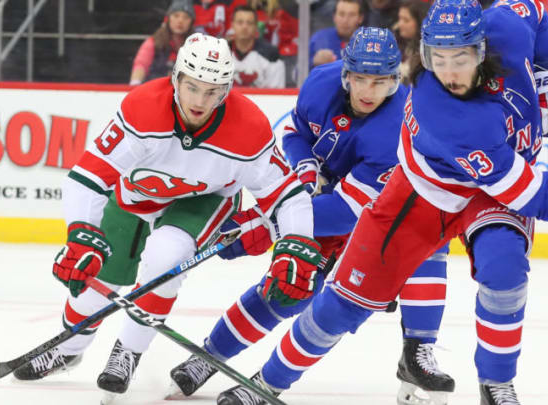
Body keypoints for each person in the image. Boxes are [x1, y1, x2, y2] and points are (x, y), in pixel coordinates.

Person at [212, 0, 548, 404]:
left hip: (487, 193)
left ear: (482, 48)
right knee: (342, 305)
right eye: (438, 59)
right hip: (422, 196)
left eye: (460, 58)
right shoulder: (445, 113)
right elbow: (531, 192)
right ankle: (267, 381)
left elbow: (536, 12)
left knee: (505, 271)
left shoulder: (507, 26)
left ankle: (496, 385)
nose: (448, 73)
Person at [10, 32, 322, 404]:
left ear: (226, 89)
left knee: (164, 261)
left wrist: (297, 241)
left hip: (203, 201)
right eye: (192, 88)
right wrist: (80, 232)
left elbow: (287, 195)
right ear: (176, 78)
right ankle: (69, 347)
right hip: (137, 193)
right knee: (96, 275)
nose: (200, 101)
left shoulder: (249, 129)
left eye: (212, 91)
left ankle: (127, 351)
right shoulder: (142, 108)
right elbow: (87, 177)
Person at [167, 27, 454, 405]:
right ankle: (208, 357)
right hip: (328, 201)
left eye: (380, 82)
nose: (368, 92)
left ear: (394, 80)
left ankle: (268, 383)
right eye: (360, 80)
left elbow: (346, 212)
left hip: (379, 221)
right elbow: (292, 130)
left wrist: (267, 223)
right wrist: (304, 172)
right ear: (345, 74)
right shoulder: (321, 84)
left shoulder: (394, 129)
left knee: (326, 306)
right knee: (284, 287)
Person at [129, 0, 195, 85]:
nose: (180, 21)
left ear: (191, 22)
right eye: (176, 16)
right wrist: (135, 83)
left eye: (186, 17)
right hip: (154, 89)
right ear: (168, 18)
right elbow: (141, 65)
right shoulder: (153, 42)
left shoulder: (196, 46)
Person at [229, 5, 286, 88]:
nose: (244, 27)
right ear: (232, 25)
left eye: (249, 23)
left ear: (256, 26)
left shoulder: (271, 55)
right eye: (240, 22)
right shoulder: (221, 52)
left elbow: (276, 94)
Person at [309, 0, 365, 68]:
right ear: (334, 17)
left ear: (360, 18)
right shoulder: (319, 39)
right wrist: (314, 61)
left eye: (351, 15)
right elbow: (297, 72)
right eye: (341, 14)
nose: (345, 20)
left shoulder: (370, 41)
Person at [394, 0, 430, 82]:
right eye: (399, 18)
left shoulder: (426, 53)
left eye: (406, 20)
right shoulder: (400, 40)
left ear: (420, 22)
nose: (400, 24)